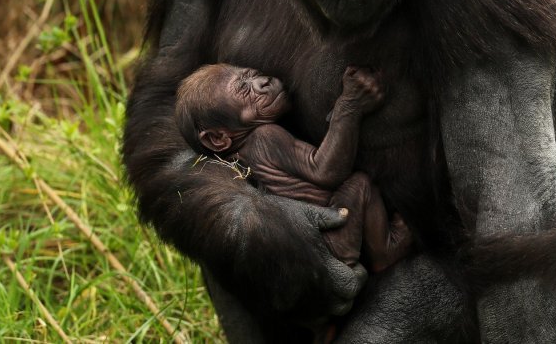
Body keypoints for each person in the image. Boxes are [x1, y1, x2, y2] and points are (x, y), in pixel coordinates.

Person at [175, 64, 412, 272]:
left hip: (307, 256)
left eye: (252, 74)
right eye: (244, 89)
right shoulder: (265, 137)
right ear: (218, 138)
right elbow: (326, 171)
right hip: (333, 241)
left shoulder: (236, 163)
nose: (263, 81)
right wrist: (348, 106)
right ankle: (385, 250)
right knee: (359, 184)